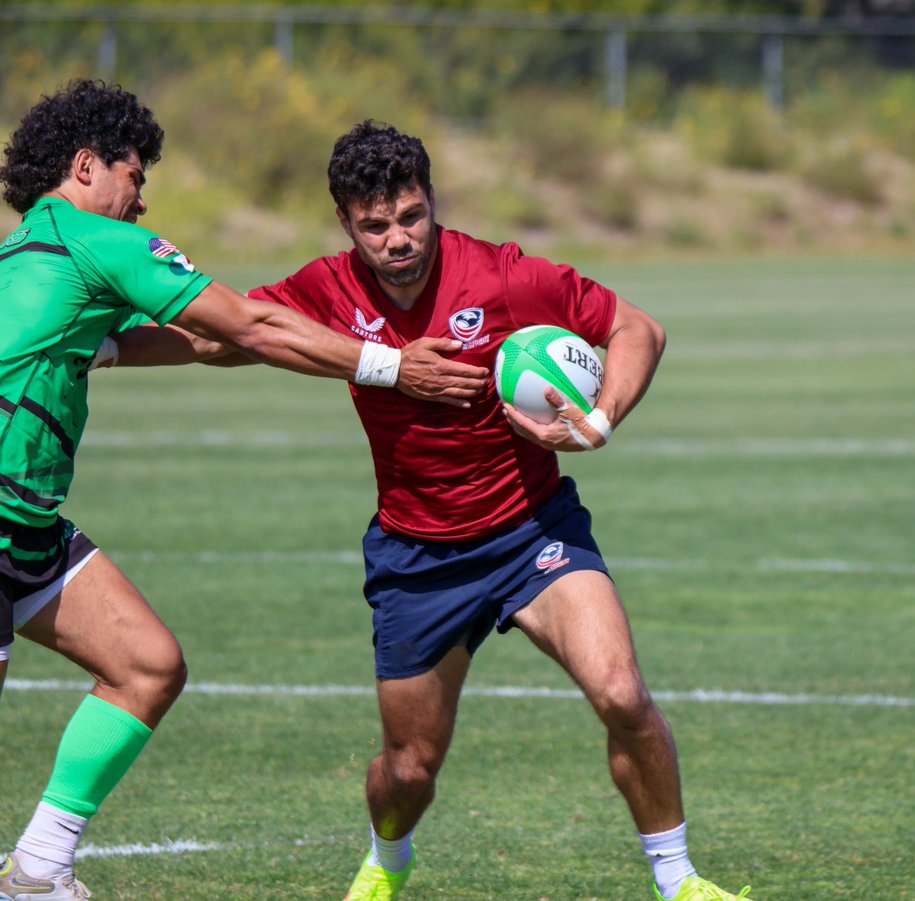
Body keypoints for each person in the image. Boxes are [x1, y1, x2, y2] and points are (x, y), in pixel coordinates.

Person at [108, 121, 756, 901]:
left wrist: (601, 418)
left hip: (533, 531)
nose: (398, 239)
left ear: (432, 202)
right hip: (417, 557)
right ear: (347, 224)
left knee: (621, 693)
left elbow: (636, 328)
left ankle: (680, 879)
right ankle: (388, 857)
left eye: (410, 216)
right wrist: (103, 350)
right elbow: (223, 338)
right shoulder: (328, 288)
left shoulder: (504, 277)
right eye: (375, 226)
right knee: (409, 768)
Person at [0, 84, 487, 901]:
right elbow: (250, 325)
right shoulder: (99, 242)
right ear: (86, 167)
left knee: (146, 663)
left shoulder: (28, 253)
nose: (141, 193)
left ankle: (40, 868)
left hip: (27, 527)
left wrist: (196, 342)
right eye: (132, 171)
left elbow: (186, 336)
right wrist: (392, 364)